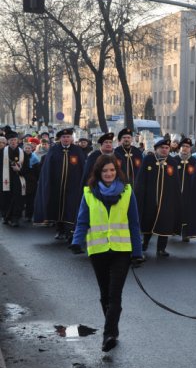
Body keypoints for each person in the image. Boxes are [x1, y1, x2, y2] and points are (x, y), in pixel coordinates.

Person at [69, 154, 143, 352]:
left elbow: (134, 224)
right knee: (104, 295)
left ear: (116, 171)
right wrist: (77, 241)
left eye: (112, 170)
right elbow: (82, 220)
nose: (109, 174)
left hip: (122, 250)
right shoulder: (88, 193)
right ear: (98, 173)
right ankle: (113, 329)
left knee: (114, 294)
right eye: (105, 171)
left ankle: (108, 334)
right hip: (98, 250)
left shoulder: (127, 192)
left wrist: (137, 252)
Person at [33, 128, 87, 240]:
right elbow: (47, 169)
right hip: (57, 187)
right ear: (60, 139)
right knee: (57, 208)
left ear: (71, 138)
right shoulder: (54, 150)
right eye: (64, 137)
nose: (66, 139)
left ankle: (70, 231)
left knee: (70, 208)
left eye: (68, 137)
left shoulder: (77, 151)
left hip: (73, 187)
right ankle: (59, 230)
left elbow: (83, 168)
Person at [135, 137, 182, 257]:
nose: (165, 150)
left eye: (167, 148)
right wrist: (139, 196)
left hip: (166, 200)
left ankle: (161, 249)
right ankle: (145, 242)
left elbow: (176, 183)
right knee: (148, 222)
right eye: (162, 148)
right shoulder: (148, 160)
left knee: (164, 224)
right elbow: (141, 180)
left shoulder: (172, 162)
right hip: (150, 199)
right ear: (156, 149)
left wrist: (176, 200)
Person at [1, 130, 29, 227]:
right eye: (11, 140)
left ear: (18, 141)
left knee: (17, 199)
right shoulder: (1, 152)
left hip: (18, 179)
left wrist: (19, 169)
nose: (13, 142)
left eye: (15, 140)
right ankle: (6, 216)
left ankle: (15, 218)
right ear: (8, 141)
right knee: (6, 199)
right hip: (5, 180)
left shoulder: (23, 153)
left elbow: (26, 169)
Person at [174, 137, 196, 241]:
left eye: (187, 146)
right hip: (176, 192)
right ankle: (173, 230)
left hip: (189, 192)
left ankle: (186, 233)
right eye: (183, 146)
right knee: (175, 211)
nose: (185, 148)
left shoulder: (194, 161)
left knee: (188, 213)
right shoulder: (174, 160)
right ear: (179, 148)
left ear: (190, 149)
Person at [21, 142, 41, 221]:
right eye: (26, 148)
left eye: (29, 148)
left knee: (30, 200)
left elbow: (38, 172)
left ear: (32, 149)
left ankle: (28, 216)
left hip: (32, 182)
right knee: (21, 198)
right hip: (22, 180)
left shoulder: (35, 159)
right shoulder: (20, 157)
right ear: (23, 149)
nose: (27, 149)